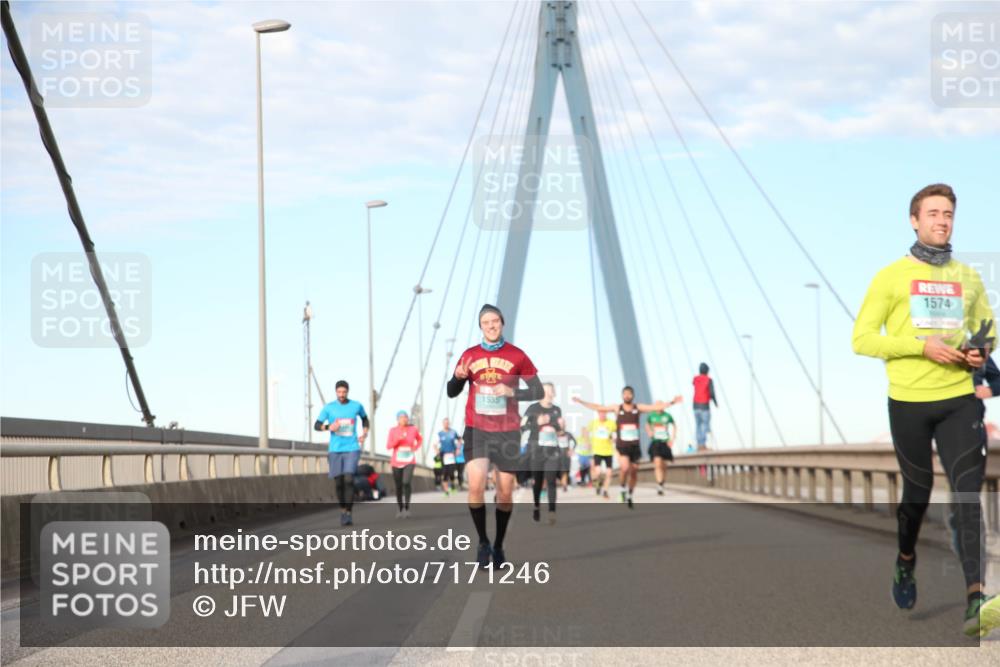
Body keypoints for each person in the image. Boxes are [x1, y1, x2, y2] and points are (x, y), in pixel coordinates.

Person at [852, 183, 997, 638]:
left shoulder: (968, 277)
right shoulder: (890, 277)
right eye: (933, 213)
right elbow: (862, 339)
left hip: (958, 401)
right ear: (913, 220)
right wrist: (920, 347)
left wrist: (978, 353)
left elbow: (985, 332)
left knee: (967, 497)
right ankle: (905, 560)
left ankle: (976, 598)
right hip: (909, 402)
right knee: (915, 497)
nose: (942, 220)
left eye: (948, 214)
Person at [447, 304, 543, 567]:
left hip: (508, 432)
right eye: (486, 322)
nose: (491, 325)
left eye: (495, 321)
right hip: (477, 430)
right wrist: (457, 378)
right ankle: (482, 542)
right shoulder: (469, 355)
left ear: (502, 323)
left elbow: (538, 392)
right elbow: (451, 391)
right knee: (476, 487)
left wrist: (513, 392)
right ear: (480, 326)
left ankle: (499, 544)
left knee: (504, 494)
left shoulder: (517, 355)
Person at [574, 388, 678, 508]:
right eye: (625, 394)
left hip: (634, 447)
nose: (627, 396)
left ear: (633, 395)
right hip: (622, 446)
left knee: (634, 473)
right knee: (624, 468)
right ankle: (622, 488)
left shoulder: (637, 408)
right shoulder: (617, 408)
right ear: (622, 396)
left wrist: (672, 402)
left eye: (629, 394)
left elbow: (654, 408)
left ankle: (629, 494)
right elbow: (598, 407)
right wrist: (581, 402)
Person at [314, 380, 369, 526]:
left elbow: (365, 419)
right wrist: (328, 427)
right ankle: (343, 510)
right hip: (335, 450)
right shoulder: (329, 408)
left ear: (348, 392)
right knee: (339, 483)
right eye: (339, 392)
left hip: (352, 448)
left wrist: (365, 432)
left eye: (344, 392)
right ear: (336, 392)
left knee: (349, 480)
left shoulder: (356, 406)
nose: (342, 395)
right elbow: (316, 425)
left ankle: (349, 513)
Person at [522, 382, 565, 524]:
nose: (549, 394)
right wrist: (537, 423)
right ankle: (536, 506)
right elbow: (521, 427)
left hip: (552, 450)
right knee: (538, 482)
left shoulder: (557, 410)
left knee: (551, 480)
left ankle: (552, 511)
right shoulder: (532, 408)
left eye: (551, 391)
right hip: (536, 450)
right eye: (546, 391)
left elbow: (559, 432)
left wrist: (562, 428)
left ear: (554, 393)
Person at [387, 410, 421, 518]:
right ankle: (400, 508)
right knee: (398, 486)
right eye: (401, 417)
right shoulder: (393, 430)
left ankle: (407, 507)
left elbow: (420, 439)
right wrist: (397, 440)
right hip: (396, 461)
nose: (404, 419)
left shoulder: (413, 429)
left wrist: (415, 447)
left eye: (405, 417)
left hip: (409, 460)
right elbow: (388, 446)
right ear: (397, 420)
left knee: (406, 482)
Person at [646, 403, 679, 495]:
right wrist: (649, 432)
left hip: (665, 443)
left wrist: (673, 438)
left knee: (664, 465)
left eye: (661, 405)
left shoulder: (667, 416)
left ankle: (662, 482)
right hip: (656, 442)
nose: (659, 407)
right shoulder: (651, 416)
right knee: (657, 464)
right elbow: (647, 425)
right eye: (657, 405)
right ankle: (659, 484)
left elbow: (674, 425)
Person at [586, 410, 617, 499]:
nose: (602, 415)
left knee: (609, 473)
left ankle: (605, 491)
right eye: (601, 413)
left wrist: (613, 439)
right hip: (597, 450)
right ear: (598, 414)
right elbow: (587, 432)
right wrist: (588, 442)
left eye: (604, 413)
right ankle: (598, 484)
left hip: (608, 451)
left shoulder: (611, 423)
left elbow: (613, 434)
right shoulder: (594, 422)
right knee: (598, 472)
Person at [692, 363, 717, 450]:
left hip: (695, 405)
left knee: (698, 425)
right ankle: (702, 444)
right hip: (704, 405)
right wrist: (715, 402)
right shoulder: (708, 380)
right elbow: (712, 393)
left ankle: (699, 444)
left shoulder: (695, 379)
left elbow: (694, 384)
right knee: (705, 425)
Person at [436, 417, 462, 495]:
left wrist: (458, 449)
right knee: (444, 473)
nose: (446, 424)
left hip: (451, 455)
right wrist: (436, 450)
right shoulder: (440, 433)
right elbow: (435, 443)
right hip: (443, 455)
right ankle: (446, 491)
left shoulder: (453, 432)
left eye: (447, 423)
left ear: (449, 424)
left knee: (451, 473)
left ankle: (453, 485)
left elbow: (460, 440)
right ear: (443, 424)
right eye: (445, 423)